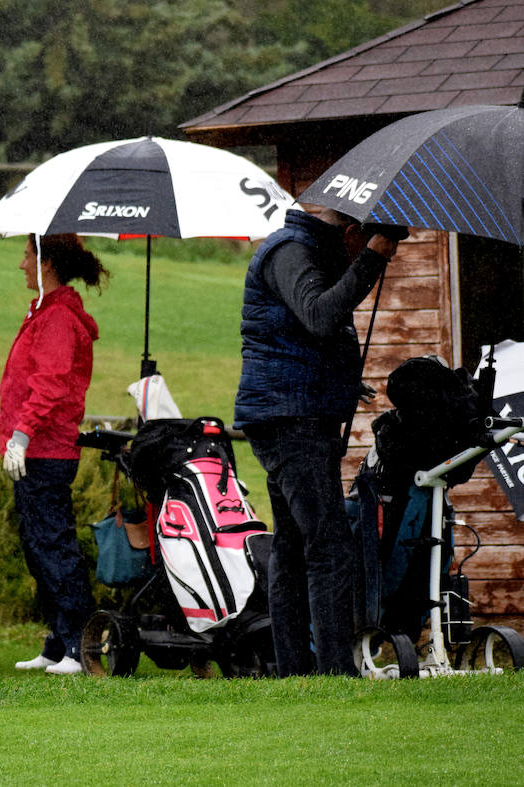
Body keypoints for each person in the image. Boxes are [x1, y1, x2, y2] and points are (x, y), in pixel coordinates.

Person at [233, 207, 402, 677]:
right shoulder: (291, 251)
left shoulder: (307, 251)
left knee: (293, 543)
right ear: (350, 233)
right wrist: (372, 258)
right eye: (358, 245)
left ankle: (295, 671)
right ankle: (334, 673)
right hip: (289, 418)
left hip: (297, 411)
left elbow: (310, 333)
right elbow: (320, 316)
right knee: (329, 544)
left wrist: (342, 382)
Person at [0, 233, 106, 676]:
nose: (21, 265)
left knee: (54, 546)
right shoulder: (44, 312)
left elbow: (51, 383)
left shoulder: (58, 318)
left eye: (27, 256)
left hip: (45, 451)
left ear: (46, 264)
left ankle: (80, 646)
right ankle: (60, 638)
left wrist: (21, 435)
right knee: (38, 547)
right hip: (33, 451)